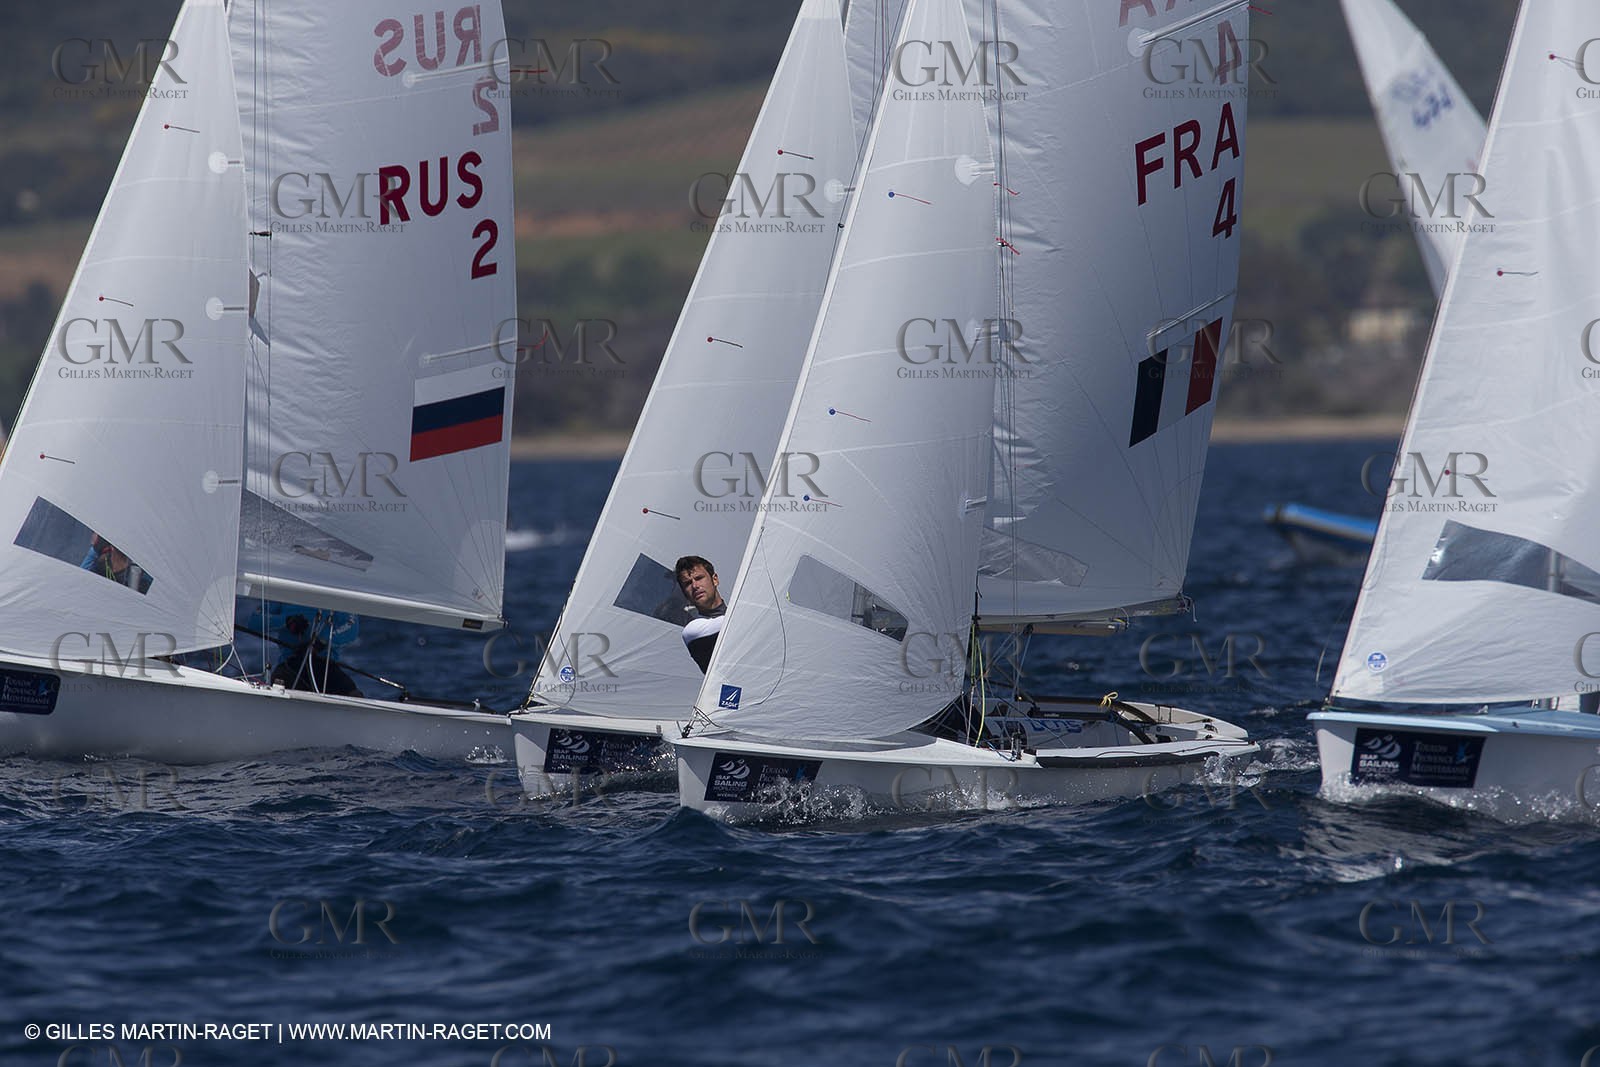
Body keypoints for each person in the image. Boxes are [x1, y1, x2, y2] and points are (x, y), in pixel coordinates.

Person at [675, 555, 726, 674]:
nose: (695, 586)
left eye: (699, 578)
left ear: (715, 580)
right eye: (688, 583)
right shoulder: (692, 631)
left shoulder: (737, 615)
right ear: (685, 594)